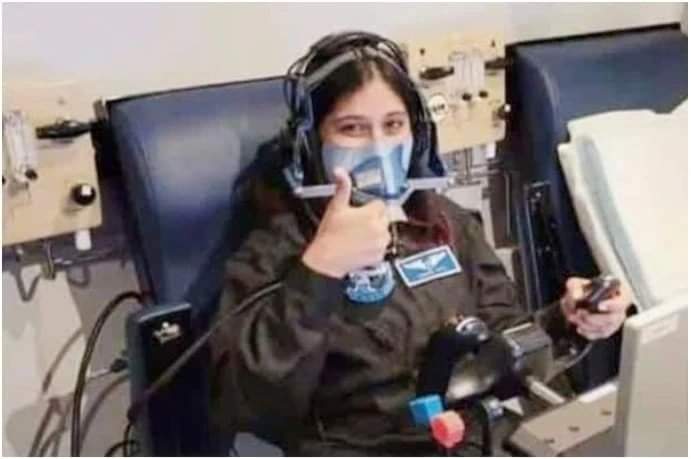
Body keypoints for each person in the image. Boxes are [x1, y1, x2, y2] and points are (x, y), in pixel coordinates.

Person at [208, 31, 632, 456]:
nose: (378, 147)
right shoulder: (279, 248)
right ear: (312, 143)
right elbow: (247, 403)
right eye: (352, 128)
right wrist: (320, 272)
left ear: (417, 134)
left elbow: (503, 339)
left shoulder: (445, 222)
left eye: (393, 125)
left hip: (473, 439)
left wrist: (569, 320)